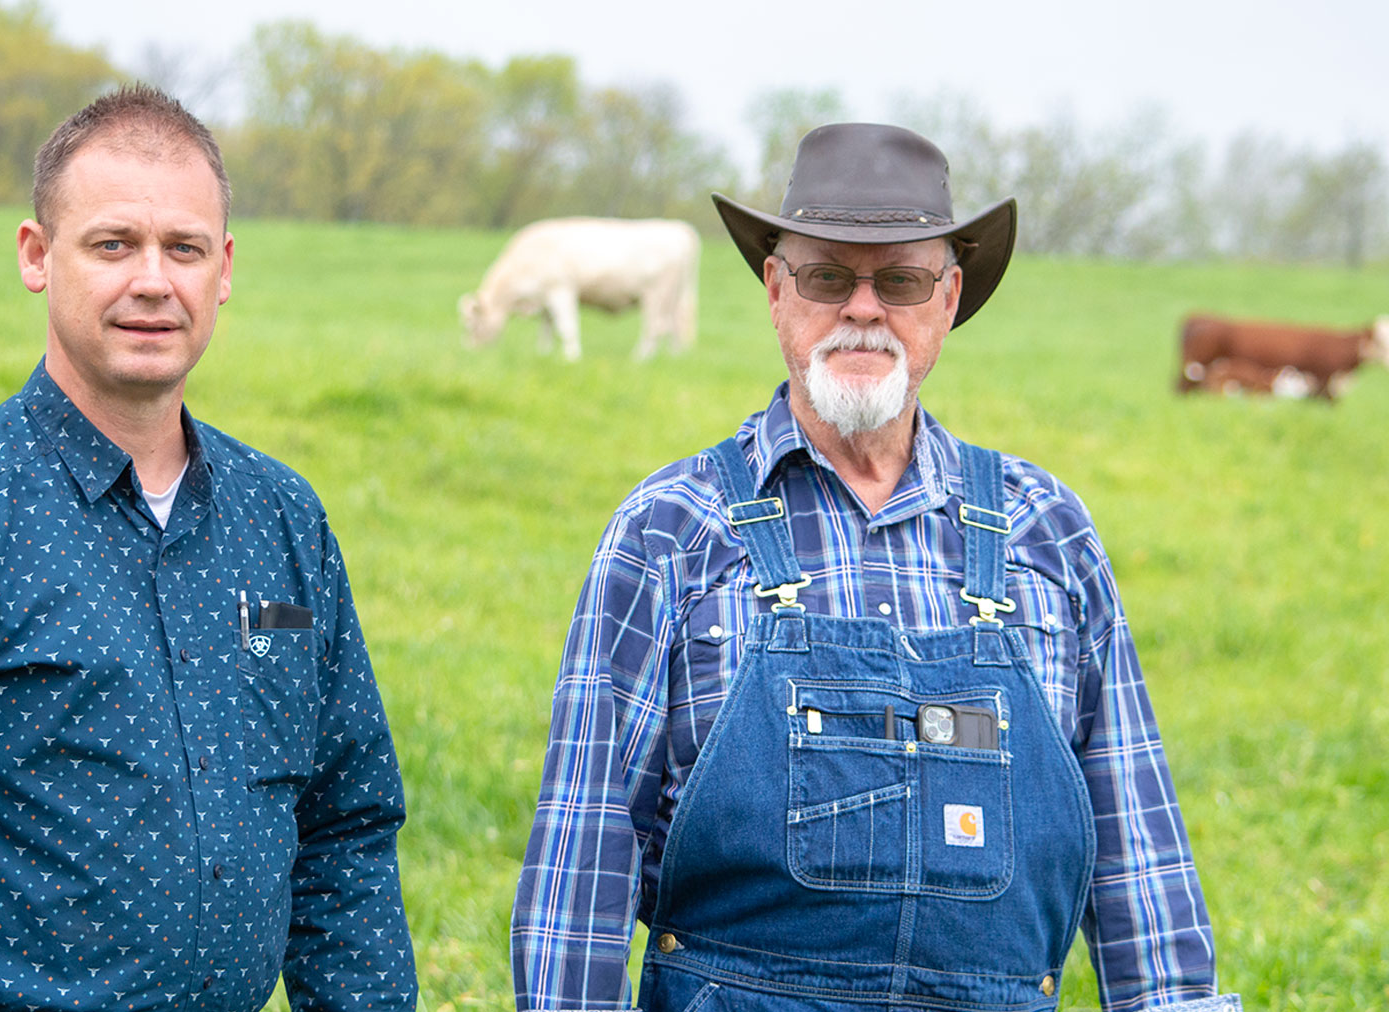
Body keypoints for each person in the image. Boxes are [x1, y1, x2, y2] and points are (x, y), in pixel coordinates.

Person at [511, 123, 1240, 1012]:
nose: (862, 308)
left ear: (949, 298)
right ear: (776, 292)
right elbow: (583, 852)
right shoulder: (670, 531)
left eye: (899, 280)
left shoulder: (1046, 532)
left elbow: (1140, 857)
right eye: (827, 277)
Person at [0, 84, 417, 1011]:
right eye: (113, 244)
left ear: (224, 268)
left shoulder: (283, 520)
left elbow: (346, 829)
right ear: (38, 255)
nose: (153, 280)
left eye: (184, 248)